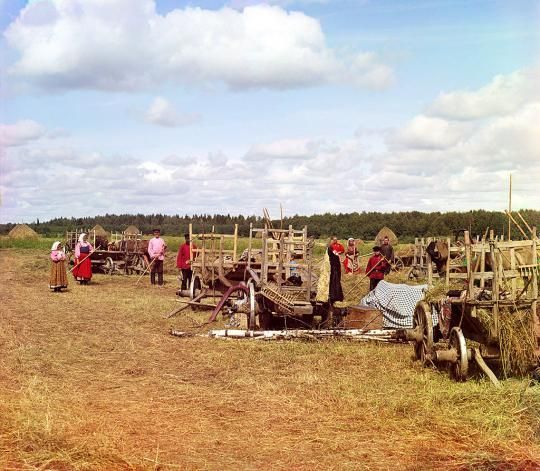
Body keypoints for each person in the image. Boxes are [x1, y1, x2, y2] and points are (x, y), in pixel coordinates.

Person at [328, 238, 344, 303]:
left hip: (334, 269)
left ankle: (334, 296)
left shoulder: (334, 250)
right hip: (332, 268)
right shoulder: (331, 248)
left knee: (335, 282)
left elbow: (341, 252)